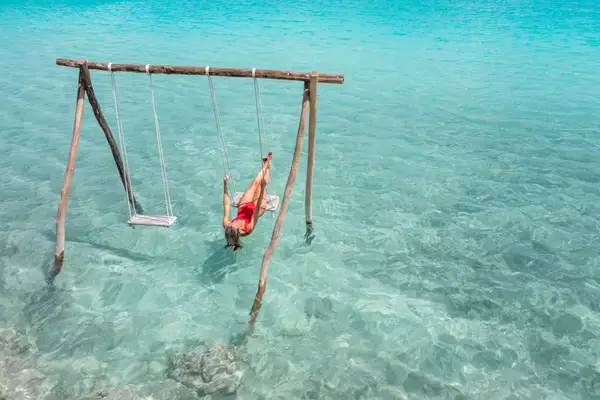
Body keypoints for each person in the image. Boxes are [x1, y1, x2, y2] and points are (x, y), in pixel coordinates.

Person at [222, 152, 273, 252]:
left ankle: (266, 165)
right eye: (233, 224)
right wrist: (262, 188)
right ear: (237, 230)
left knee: (254, 184)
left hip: (243, 207)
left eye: (228, 226)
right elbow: (257, 209)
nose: (231, 223)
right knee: (262, 183)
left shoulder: (227, 226)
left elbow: (226, 205)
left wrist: (225, 185)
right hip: (257, 210)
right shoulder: (247, 229)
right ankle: (268, 167)